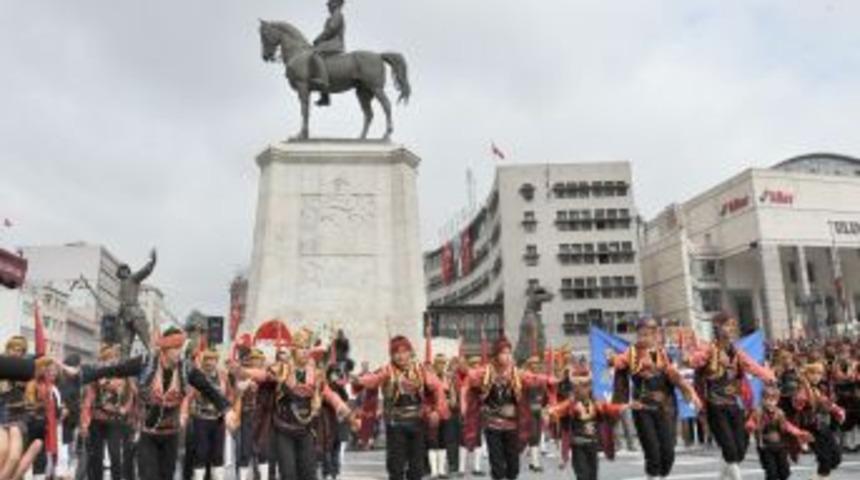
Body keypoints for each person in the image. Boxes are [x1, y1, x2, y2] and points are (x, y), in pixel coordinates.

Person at [69, 327, 239, 480]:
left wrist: (226, 409)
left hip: (171, 434)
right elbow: (114, 368)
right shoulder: (145, 362)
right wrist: (81, 372)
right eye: (175, 348)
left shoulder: (186, 368)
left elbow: (208, 387)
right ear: (165, 349)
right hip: (147, 433)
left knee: (166, 476)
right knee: (149, 475)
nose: (179, 353)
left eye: (180, 348)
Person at [242, 328, 354, 480]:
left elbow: (327, 392)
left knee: (308, 473)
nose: (305, 351)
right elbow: (263, 375)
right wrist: (243, 372)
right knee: (288, 474)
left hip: (306, 430)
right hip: (284, 430)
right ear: (294, 349)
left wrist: (340, 405)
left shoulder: (315, 372)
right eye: (301, 348)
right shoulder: (283, 368)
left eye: (307, 348)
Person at [688, 312, 776, 480]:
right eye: (727, 325)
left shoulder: (736, 352)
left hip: (734, 404)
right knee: (730, 450)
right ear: (717, 327)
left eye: (733, 325)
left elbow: (752, 366)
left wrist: (768, 376)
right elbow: (695, 361)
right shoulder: (709, 349)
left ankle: (721, 477)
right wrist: (691, 356)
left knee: (740, 450)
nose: (732, 329)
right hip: (715, 406)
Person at [611, 318, 701, 480]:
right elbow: (618, 362)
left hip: (665, 408)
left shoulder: (664, 355)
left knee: (668, 452)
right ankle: (652, 477)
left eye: (647, 335)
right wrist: (612, 359)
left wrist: (691, 393)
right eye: (640, 335)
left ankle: (661, 476)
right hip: (642, 408)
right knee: (652, 451)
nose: (643, 338)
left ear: (655, 335)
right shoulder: (631, 353)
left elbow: (676, 377)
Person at [353, 335, 448, 480]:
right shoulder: (387, 370)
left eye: (404, 352)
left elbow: (438, 388)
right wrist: (358, 380)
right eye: (396, 352)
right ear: (392, 355)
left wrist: (437, 411)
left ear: (410, 352)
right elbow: (373, 380)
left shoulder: (421, 370)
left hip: (417, 423)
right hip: (396, 424)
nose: (401, 356)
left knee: (417, 468)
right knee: (396, 467)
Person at [462, 337, 555, 480]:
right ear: (496, 355)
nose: (508, 356)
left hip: (512, 426)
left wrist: (551, 380)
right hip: (492, 425)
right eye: (504, 353)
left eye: (509, 353)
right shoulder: (485, 373)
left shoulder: (516, 373)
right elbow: (468, 379)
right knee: (497, 465)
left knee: (513, 466)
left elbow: (534, 379)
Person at [547, 364, 628, 480]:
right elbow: (558, 410)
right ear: (575, 388)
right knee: (582, 475)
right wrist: (551, 412)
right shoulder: (571, 404)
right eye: (580, 386)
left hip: (592, 444)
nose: (583, 389)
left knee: (593, 475)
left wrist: (625, 406)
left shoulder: (596, 403)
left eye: (586, 386)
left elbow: (609, 408)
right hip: (578, 445)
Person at [80, 345, 135, 480]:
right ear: (103, 360)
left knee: (115, 455)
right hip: (97, 419)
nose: (112, 361)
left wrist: (126, 409)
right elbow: (88, 400)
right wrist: (85, 423)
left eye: (114, 358)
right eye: (109, 358)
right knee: (96, 457)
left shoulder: (124, 376)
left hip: (115, 420)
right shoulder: (96, 375)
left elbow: (131, 395)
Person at [745, 386, 812, 480]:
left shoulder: (779, 413)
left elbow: (787, 425)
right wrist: (750, 426)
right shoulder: (758, 412)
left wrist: (799, 433)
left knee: (785, 472)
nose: (770, 403)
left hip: (780, 446)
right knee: (772, 473)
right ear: (763, 399)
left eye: (773, 400)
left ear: (777, 401)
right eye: (767, 399)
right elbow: (751, 422)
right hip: (766, 447)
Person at [183, 348, 231, 480]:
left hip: (218, 420)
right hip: (201, 419)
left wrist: (229, 414)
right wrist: (185, 414)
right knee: (201, 454)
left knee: (218, 454)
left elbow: (228, 395)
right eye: (207, 359)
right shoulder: (198, 377)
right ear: (203, 361)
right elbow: (188, 397)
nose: (210, 362)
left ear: (217, 361)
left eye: (213, 359)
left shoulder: (223, 375)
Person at [794, 362, 845, 479]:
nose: (817, 376)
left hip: (822, 426)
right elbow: (797, 406)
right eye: (813, 373)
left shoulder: (818, 389)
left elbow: (828, 403)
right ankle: (821, 476)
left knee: (836, 457)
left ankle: (820, 476)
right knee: (824, 458)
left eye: (819, 373)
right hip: (810, 428)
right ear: (807, 374)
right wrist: (803, 392)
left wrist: (838, 411)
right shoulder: (801, 389)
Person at [116, 249, 156, 359]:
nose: (122, 272)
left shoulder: (132, 278)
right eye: (121, 270)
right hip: (125, 318)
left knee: (147, 342)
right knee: (124, 347)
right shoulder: (121, 286)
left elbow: (145, 271)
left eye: (124, 270)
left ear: (128, 271)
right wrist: (118, 318)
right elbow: (121, 305)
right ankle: (124, 369)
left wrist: (152, 261)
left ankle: (154, 360)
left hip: (136, 315)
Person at [311, 0, 346, 106]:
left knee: (314, 54)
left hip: (335, 43)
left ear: (337, 3)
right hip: (329, 42)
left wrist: (318, 39)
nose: (328, 6)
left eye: (330, 3)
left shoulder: (337, 14)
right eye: (329, 4)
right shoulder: (332, 16)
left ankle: (324, 81)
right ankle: (324, 97)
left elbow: (331, 29)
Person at [522, 356, 549, 473]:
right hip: (527, 411)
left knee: (536, 436)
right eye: (533, 364)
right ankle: (535, 463)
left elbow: (545, 396)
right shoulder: (526, 377)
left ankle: (534, 463)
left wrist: (545, 409)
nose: (536, 365)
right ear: (529, 365)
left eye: (537, 363)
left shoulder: (541, 378)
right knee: (532, 436)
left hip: (538, 410)